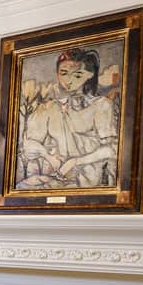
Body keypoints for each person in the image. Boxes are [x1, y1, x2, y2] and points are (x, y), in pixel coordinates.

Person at [17, 47, 118, 189]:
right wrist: (48, 156)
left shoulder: (101, 105)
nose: (68, 80)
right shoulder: (49, 108)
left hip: (88, 182)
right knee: (22, 187)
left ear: (89, 75)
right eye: (63, 73)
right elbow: (29, 144)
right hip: (57, 177)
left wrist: (75, 161)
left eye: (77, 75)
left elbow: (112, 149)